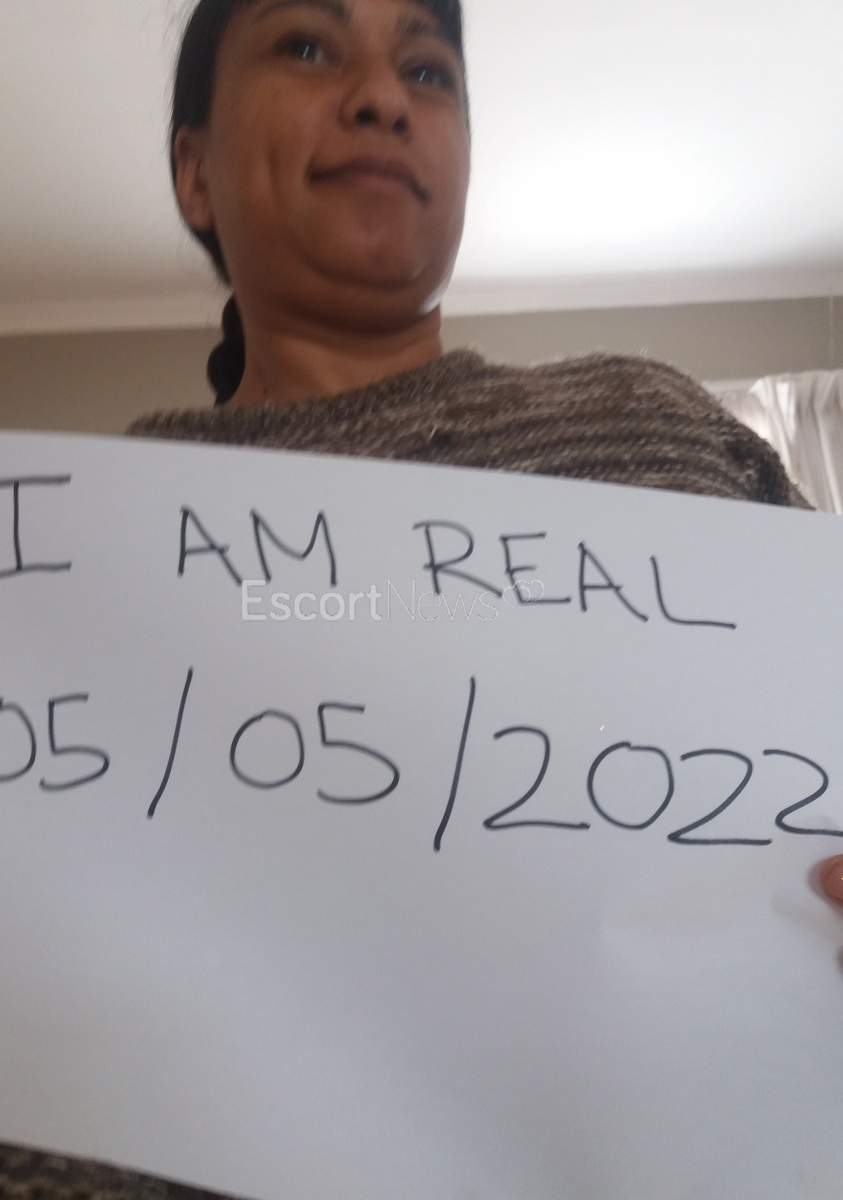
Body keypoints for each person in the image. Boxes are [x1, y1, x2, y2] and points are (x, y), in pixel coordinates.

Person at [127, 0, 843, 910]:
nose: (383, 97)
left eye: (427, 70)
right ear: (194, 171)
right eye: (306, 46)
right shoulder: (90, 546)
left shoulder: (652, 416)